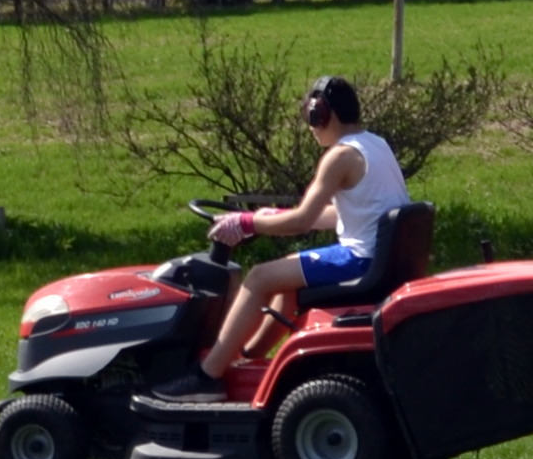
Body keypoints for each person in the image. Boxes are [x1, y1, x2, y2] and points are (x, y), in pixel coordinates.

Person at [156, 74, 408, 399]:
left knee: (260, 276)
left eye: (311, 117)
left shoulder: (340, 156)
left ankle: (206, 377)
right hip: (377, 257)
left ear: (323, 113)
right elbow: (344, 214)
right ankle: (247, 358)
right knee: (285, 283)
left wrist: (248, 222)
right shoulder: (375, 144)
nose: (310, 127)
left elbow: (301, 222)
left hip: (361, 260)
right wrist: (272, 216)